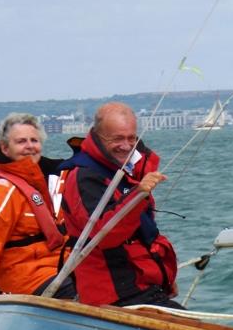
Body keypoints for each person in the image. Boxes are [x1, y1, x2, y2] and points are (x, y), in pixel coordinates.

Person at [58, 102, 181, 308]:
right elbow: (104, 234)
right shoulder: (84, 177)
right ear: (97, 135)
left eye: (131, 138)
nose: (126, 145)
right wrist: (137, 195)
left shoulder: (124, 170)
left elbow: (144, 232)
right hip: (113, 294)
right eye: (117, 139)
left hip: (142, 285)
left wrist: (165, 277)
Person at [0, 113, 75, 308]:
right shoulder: (2, 190)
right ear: (5, 148)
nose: (30, 146)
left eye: (34, 140)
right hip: (27, 278)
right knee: (84, 292)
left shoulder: (39, 182)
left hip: (56, 268)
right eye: (21, 141)